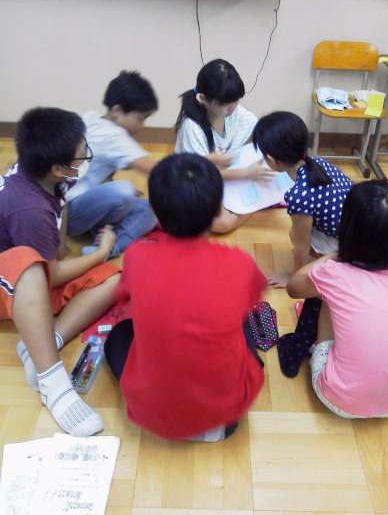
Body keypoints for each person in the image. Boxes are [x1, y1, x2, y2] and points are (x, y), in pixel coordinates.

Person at [104, 153, 266, 441]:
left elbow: (126, 296)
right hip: (225, 416)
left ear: (155, 212)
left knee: (118, 336)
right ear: (218, 210)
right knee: (241, 323)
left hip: (152, 413)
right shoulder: (240, 264)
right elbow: (252, 298)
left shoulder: (137, 256)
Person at [0, 107, 120, 436]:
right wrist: (100, 252)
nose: (86, 158)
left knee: (114, 279)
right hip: (14, 283)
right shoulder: (29, 208)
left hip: (34, 275)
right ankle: (53, 384)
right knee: (28, 264)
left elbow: (59, 230)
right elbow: (50, 274)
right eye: (82, 154)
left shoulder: (48, 177)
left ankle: (42, 342)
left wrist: (63, 247)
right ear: (57, 167)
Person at [286, 181, 388, 417]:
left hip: (339, 400)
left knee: (324, 295)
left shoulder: (335, 274)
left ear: (350, 230)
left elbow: (294, 287)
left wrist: (336, 254)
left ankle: (321, 347)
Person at [253, 111, 352, 287]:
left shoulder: (299, 197)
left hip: (352, 242)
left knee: (295, 234)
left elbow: (301, 245)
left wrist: (293, 278)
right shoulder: (318, 162)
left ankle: (342, 262)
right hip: (358, 225)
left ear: (271, 160)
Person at [175, 58, 273, 234]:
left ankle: (244, 204)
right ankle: (252, 206)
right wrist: (245, 173)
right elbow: (199, 175)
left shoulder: (237, 114)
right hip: (195, 180)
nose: (232, 107)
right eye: (224, 103)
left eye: (235, 100)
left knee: (268, 177)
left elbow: (260, 133)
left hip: (224, 177)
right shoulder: (191, 127)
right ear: (203, 99)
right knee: (220, 224)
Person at [66, 70, 158, 257]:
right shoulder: (114, 136)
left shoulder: (91, 117)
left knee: (151, 209)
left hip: (83, 205)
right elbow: (156, 169)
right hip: (70, 214)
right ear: (117, 111)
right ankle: (107, 247)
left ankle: (103, 246)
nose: (143, 125)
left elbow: (94, 167)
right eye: (140, 118)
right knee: (124, 191)